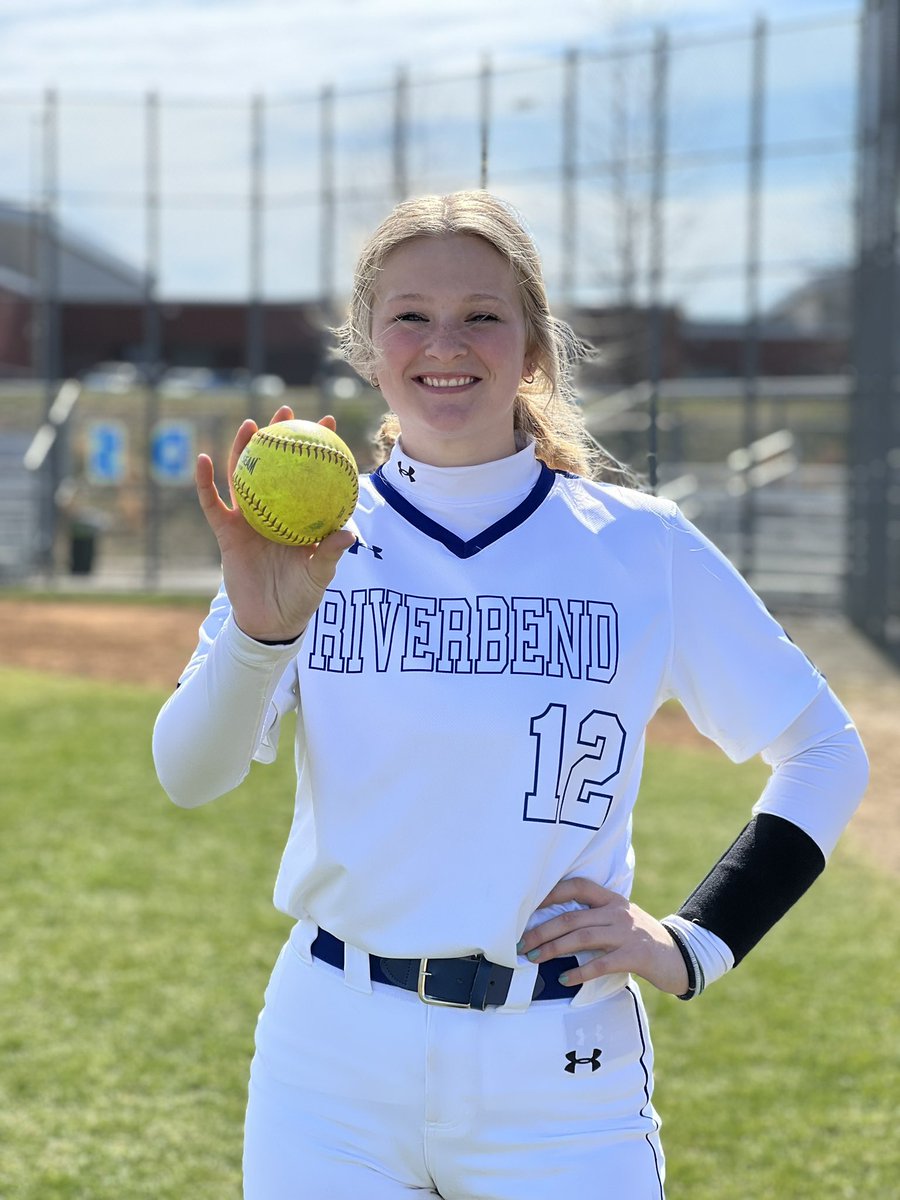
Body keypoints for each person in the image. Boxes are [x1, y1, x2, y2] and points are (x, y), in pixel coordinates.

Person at [152, 190, 869, 1200]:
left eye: (481, 314)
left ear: (533, 342)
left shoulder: (638, 544)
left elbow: (825, 748)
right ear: (368, 341)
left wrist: (697, 939)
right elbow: (189, 774)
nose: (446, 343)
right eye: (411, 314)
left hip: (560, 1072)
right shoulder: (307, 546)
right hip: (332, 1059)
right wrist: (266, 630)